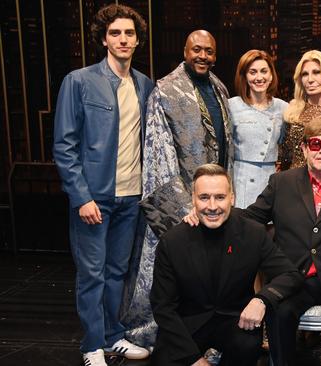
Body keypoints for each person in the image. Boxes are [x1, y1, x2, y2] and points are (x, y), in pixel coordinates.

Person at [216, 116, 321, 366]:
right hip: (293, 281)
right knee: (278, 311)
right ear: (304, 149)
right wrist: (215, 211)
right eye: (315, 144)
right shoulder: (281, 183)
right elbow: (250, 218)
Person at [52, 4, 153, 365]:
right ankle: (91, 344)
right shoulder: (78, 81)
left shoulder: (144, 84)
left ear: (138, 39)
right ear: (104, 39)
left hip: (131, 197)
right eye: (115, 33)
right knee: (92, 274)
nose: (123, 39)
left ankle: (113, 336)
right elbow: (64, 146)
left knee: (117, 272)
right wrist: (81, 197)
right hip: (94, 199)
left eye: (129, 33)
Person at [121, 29, 234, 347]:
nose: (203, 56)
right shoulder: (165, 91)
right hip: (183, 203)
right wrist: (183, 207)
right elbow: (158, 153)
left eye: (209, 51)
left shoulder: (220, 88)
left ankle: (203, 332)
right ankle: (163, 334)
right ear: (185, 51)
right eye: (197, 50)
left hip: (212, 200)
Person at [150, 163, 302, 366]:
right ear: (193, 199)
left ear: (232, 198)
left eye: (220, 197)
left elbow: (290, 274)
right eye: (204, 197)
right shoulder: (172, 242)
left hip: (235, 321)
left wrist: (262, 300)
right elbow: (163, 308)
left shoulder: (253, 233)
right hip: (187, 325)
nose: (212, 206)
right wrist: (193, 360)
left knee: (247, 345)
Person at [229, 49, 288, 208]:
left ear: (271, 76)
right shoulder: (232, 106)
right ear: (244, 76)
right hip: (241, 181)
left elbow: (287, 146)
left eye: (264, 71)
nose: (259, 77)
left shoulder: (283, 108)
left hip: (270, 181)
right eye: (252, 72)